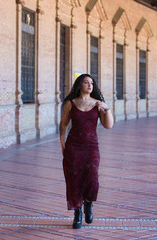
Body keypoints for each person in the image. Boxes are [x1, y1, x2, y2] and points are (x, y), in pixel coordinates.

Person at [59, 74, 114, 229]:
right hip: (73, 147)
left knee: (92, 179)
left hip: (91, 147)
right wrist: (62, 144)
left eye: (92, 83)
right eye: (86, 82)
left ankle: (88, 205)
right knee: (74, 180)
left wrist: (106, 108)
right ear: (79, 85)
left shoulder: (97, 104)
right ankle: (77, 214)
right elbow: (63, 125)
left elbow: (108, 125)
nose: (90, 85)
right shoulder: (71, 103)